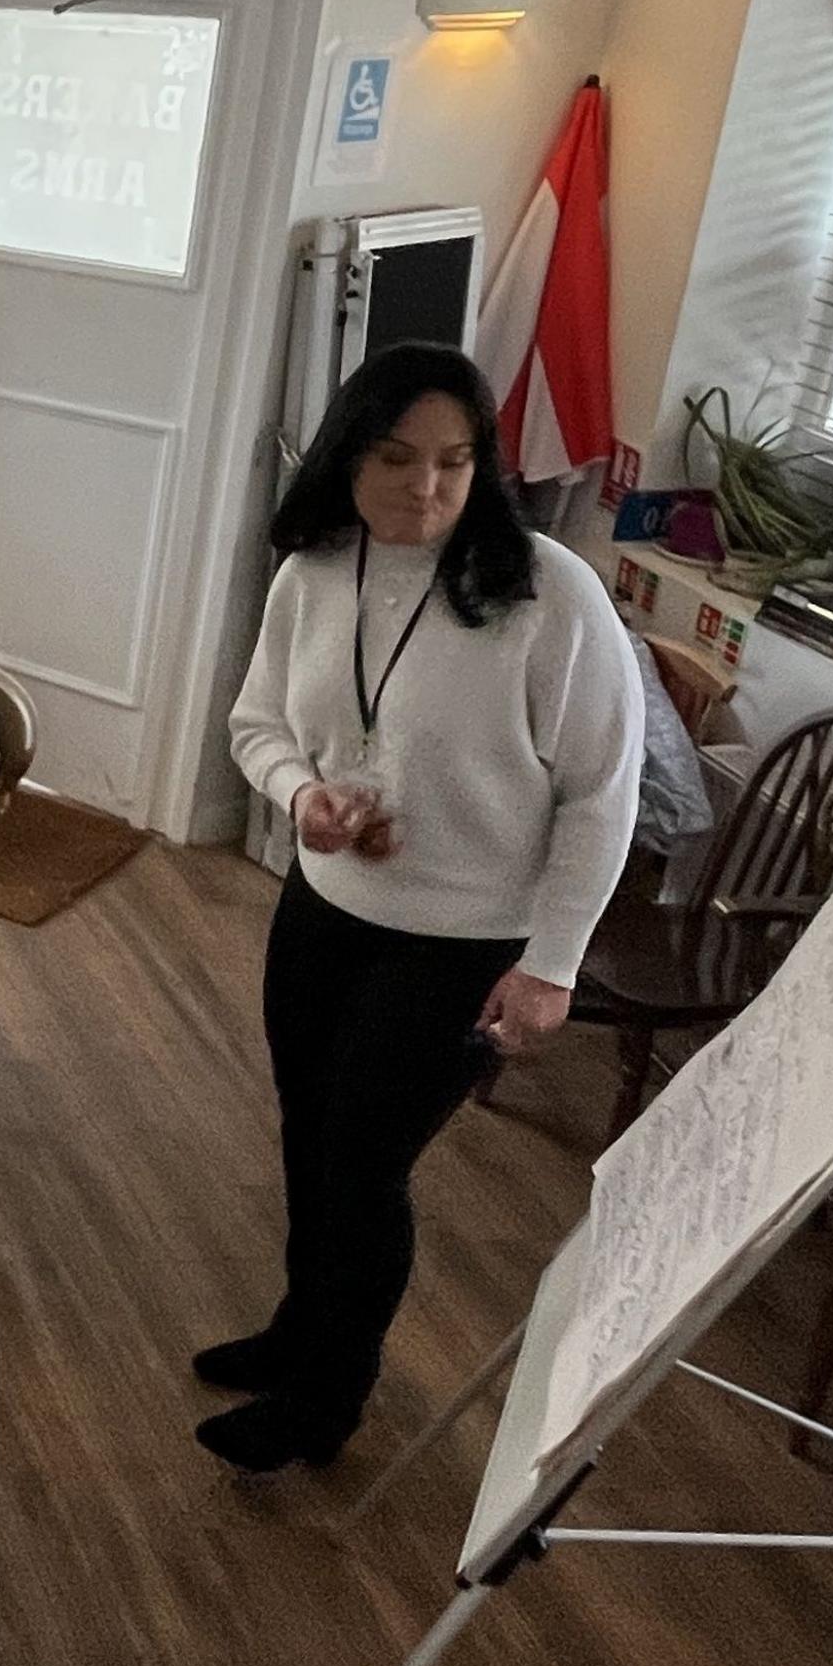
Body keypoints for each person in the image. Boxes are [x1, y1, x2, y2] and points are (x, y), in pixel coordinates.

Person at [194, 344, 643, 1472]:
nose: (427, 488)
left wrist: (553, 965)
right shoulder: (314, 574)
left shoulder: (549, 592)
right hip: (326, 910)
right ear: (349, 454)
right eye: (396, 457)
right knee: (310, 1133)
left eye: (454, 460)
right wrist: (306, 796)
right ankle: (302, 1329)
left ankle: (329, 1395)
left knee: (363, 1165)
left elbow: (601, 790)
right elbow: (259, 725)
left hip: (461, 941)